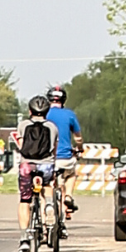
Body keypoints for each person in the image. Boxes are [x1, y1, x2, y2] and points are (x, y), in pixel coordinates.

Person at [14, 95, 60, 252]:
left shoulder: (23, 125)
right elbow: (53, 149)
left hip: (27, 165)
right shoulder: (52, 127)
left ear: (30, 110)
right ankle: (48, 205)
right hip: (46, 164)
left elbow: (21, 146)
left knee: (25, 200)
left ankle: (24, 238)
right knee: (46, 188)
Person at [45, 86, 84, 219]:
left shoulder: (44, 114)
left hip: (48, 158)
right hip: (65, 158)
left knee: (52, 185)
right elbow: (77, 137)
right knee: (71, 174)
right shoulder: (70, 115)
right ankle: (68, 196)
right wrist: (80, 148)